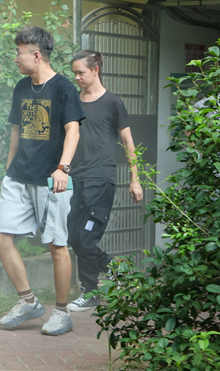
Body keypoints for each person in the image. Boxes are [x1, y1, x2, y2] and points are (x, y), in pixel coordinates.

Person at [0, 25, 84, 337]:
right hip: (19, 176)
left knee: (56, 245)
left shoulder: (64, 88)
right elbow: (17, 130)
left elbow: (73, 130)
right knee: (1, 236)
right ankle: (28, 301)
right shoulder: (21, 87)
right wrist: (8, 170)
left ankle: (61, 312)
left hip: (51, 179)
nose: (15, 57)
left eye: (19, 52)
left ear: (36, 55)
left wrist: (63, 168)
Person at [66, 50, 143, 312]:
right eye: (74, 73)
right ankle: (116, 271)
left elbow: (128, 142)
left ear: (95, 70)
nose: (77, 77)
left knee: (86, 238)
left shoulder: (113, 103)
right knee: (74, 237)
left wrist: (135, 179)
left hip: (101, 181)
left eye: (81, 72)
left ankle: (90, 293)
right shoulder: (73, 102)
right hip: (76, 180)